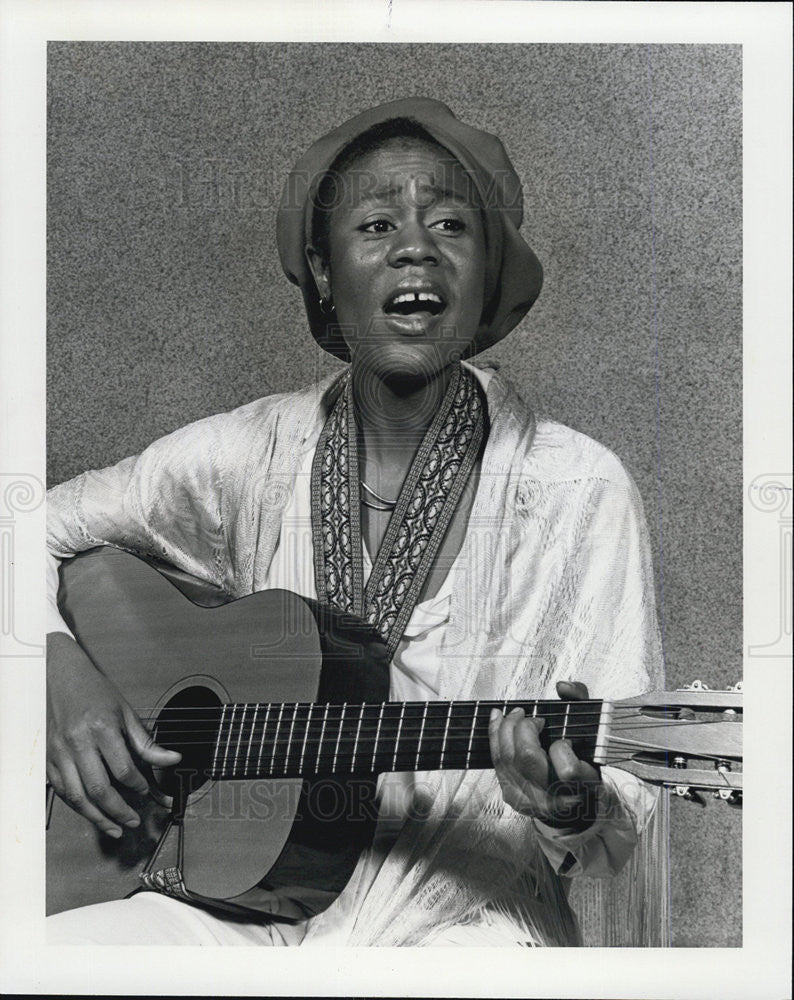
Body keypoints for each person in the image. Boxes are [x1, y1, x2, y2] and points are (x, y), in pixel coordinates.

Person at [45, 97, 666, 946]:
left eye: (451, 223)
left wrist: (572, 803)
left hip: (462, 908)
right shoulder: (250, 454)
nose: (416, 247)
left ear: (486, 270)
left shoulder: (576, 486)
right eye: (376, 225)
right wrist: (62, 680)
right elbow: (26, 528)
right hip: (247, 899)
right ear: (325, 271)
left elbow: (614, 817)